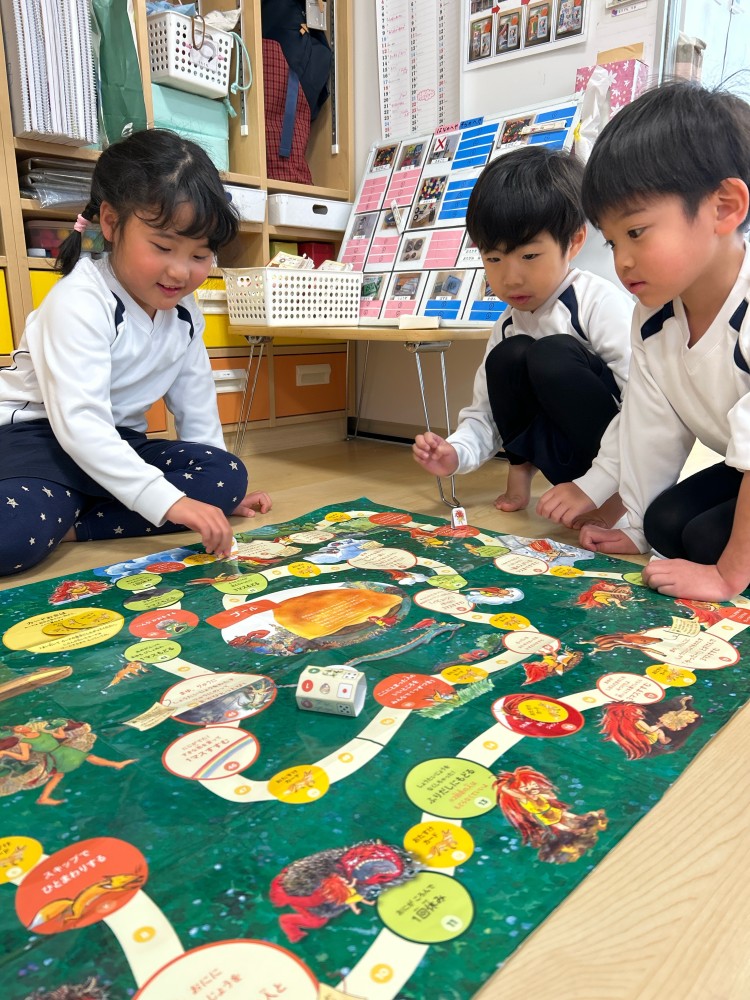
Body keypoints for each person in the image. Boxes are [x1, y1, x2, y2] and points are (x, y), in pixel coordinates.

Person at [0, 129, 270, 577]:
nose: (180, 272)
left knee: (226, 475)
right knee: (10, 538)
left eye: (200, 256)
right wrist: (174, 503)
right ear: (110, 222)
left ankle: (72, 520)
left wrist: (217, 499)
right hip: (39, 442)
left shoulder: (184, 312)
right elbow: (80, 424)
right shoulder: (79, 301)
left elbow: (197, 406)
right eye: (162, 247)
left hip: (118, 443)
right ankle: (76, 511)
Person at [537, 81, 750, 601]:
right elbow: (650, 427)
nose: (622, 261)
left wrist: (728, 574)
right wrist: (633, 526)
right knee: (664, 525)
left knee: (708, 543)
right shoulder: (654, 317)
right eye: (612, 241)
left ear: (724, 208)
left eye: (635, 232)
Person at [412, 146, 633, 512]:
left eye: (529, 256)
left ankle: (614, 498)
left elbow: (643, 402)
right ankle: (520, 472)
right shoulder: (508, 322)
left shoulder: (598, 302)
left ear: (574, 242)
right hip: (560, 452)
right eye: (493, 258)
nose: (511, 277)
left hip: (614, 457)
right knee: (508, 357)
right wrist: (455, 453)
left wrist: (609, 485)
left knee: (551, 355)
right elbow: (485, 412)